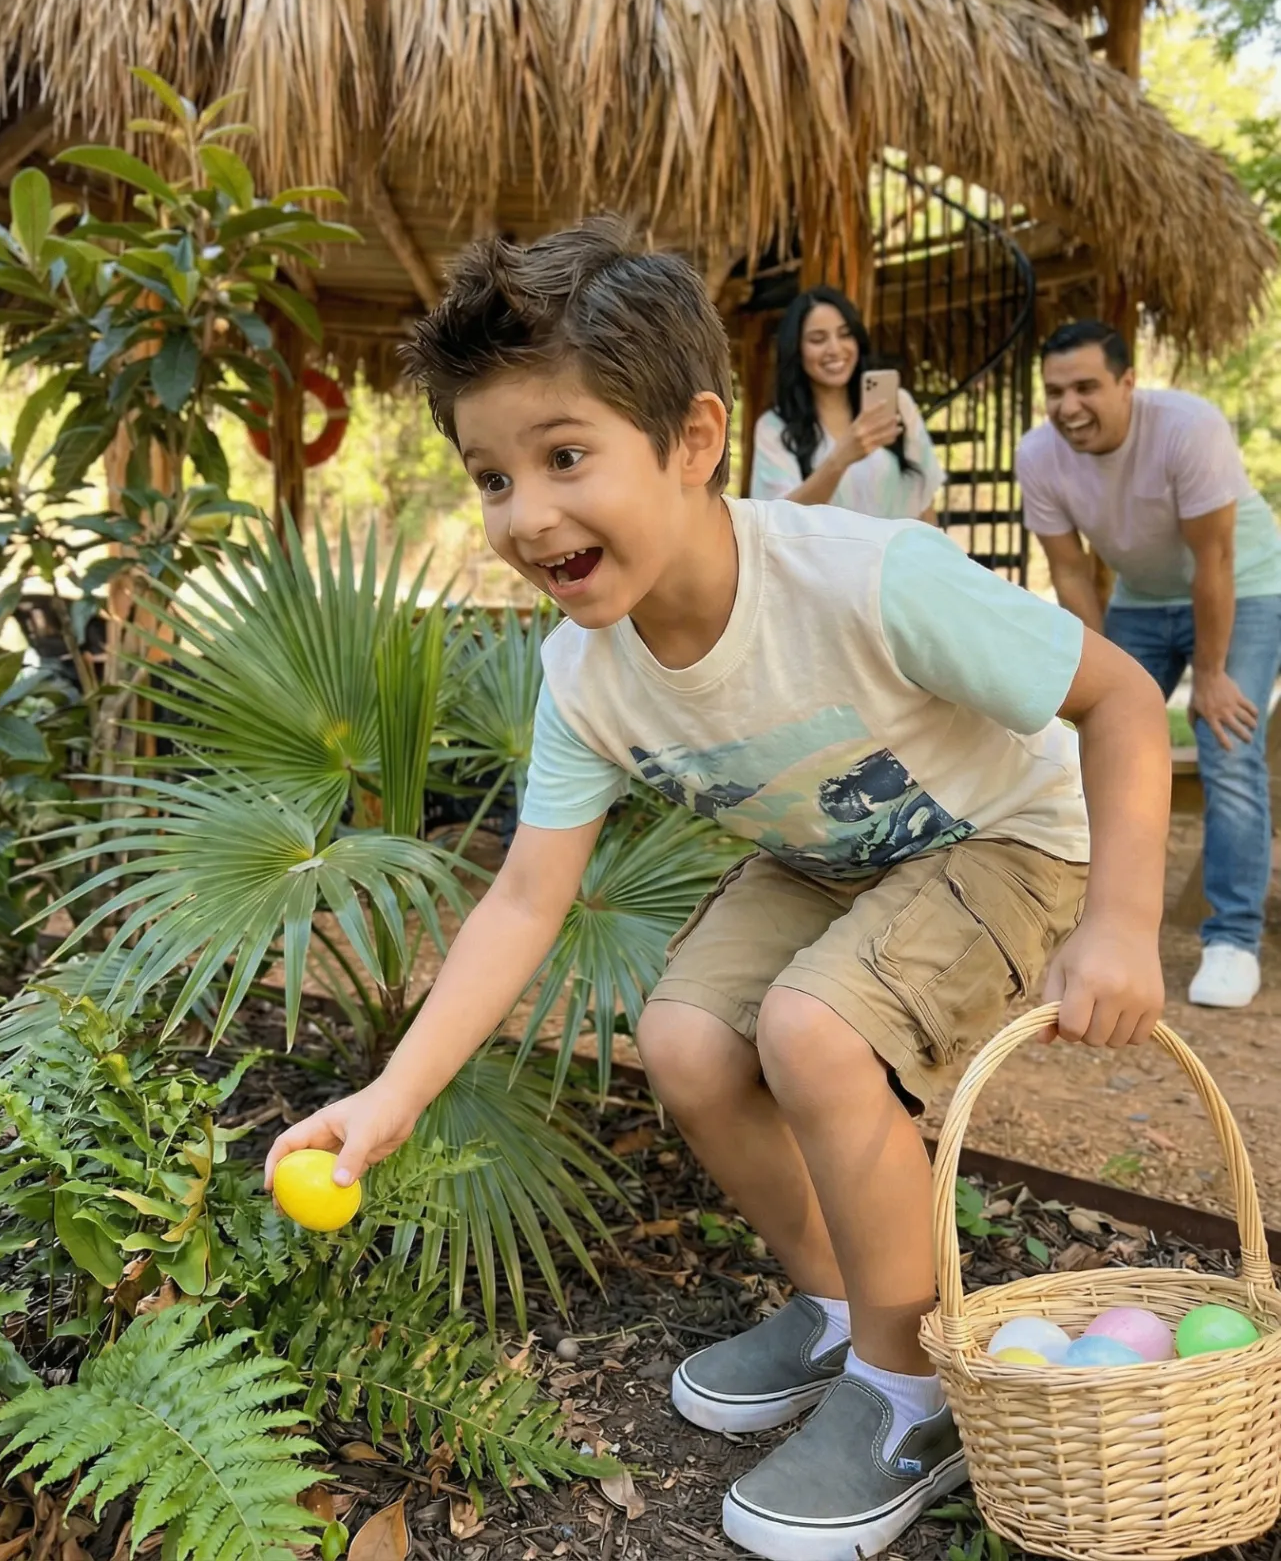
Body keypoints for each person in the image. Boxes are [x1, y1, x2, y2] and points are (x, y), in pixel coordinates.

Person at [267, 222, 1169, 1561]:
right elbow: (522, 900)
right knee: (685, 1041)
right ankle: (841, 1308)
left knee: (813, 1032)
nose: (526, 514)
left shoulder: (866, 578)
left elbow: (1123, 699)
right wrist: (392, 1096)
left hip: (1012, 836)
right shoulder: (583, 678)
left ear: (692, 441)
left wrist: (1121, 925)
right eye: (492, 476)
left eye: (563, 457)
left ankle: (912, 1392)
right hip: (833, 856)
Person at [1017, 318, 1281, 1012]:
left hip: (1244, 586)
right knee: (1085, 741)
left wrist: (1212, 675)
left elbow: (1214, 558)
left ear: (1127, 383)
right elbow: (1070, 572)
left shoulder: (1188, 429)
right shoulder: (1037, 454)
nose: (1068, 406)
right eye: (1054, 392)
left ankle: (1232, 939)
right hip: (1140, 599)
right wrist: (1098, 675)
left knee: (1228, 744)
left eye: (1086, 387)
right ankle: (1080, 918)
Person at [749, 286, 944, 521]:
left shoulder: (898, 405)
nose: (835, 349)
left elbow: (925, 505)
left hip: (902, 546)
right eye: (818, 339)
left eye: (845, 334)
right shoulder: (774, 428)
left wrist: (936, 545)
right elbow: (776, 520)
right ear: (796, 350)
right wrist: (839, 460)